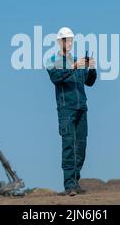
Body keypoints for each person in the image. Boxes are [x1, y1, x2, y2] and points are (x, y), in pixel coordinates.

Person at [46, 27, 97, 196]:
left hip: (82, 108)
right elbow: (56, 77)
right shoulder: (53, 60)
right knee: (69, 146)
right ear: (59, 42)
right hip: (66, 109)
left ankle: (75, 181)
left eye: (70, 39)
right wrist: (75, 66)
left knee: (81, 147)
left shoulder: (77, 61)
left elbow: (89, 82)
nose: (68, 42)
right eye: (65, 39)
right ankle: (69, 185)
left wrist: (92, 68)